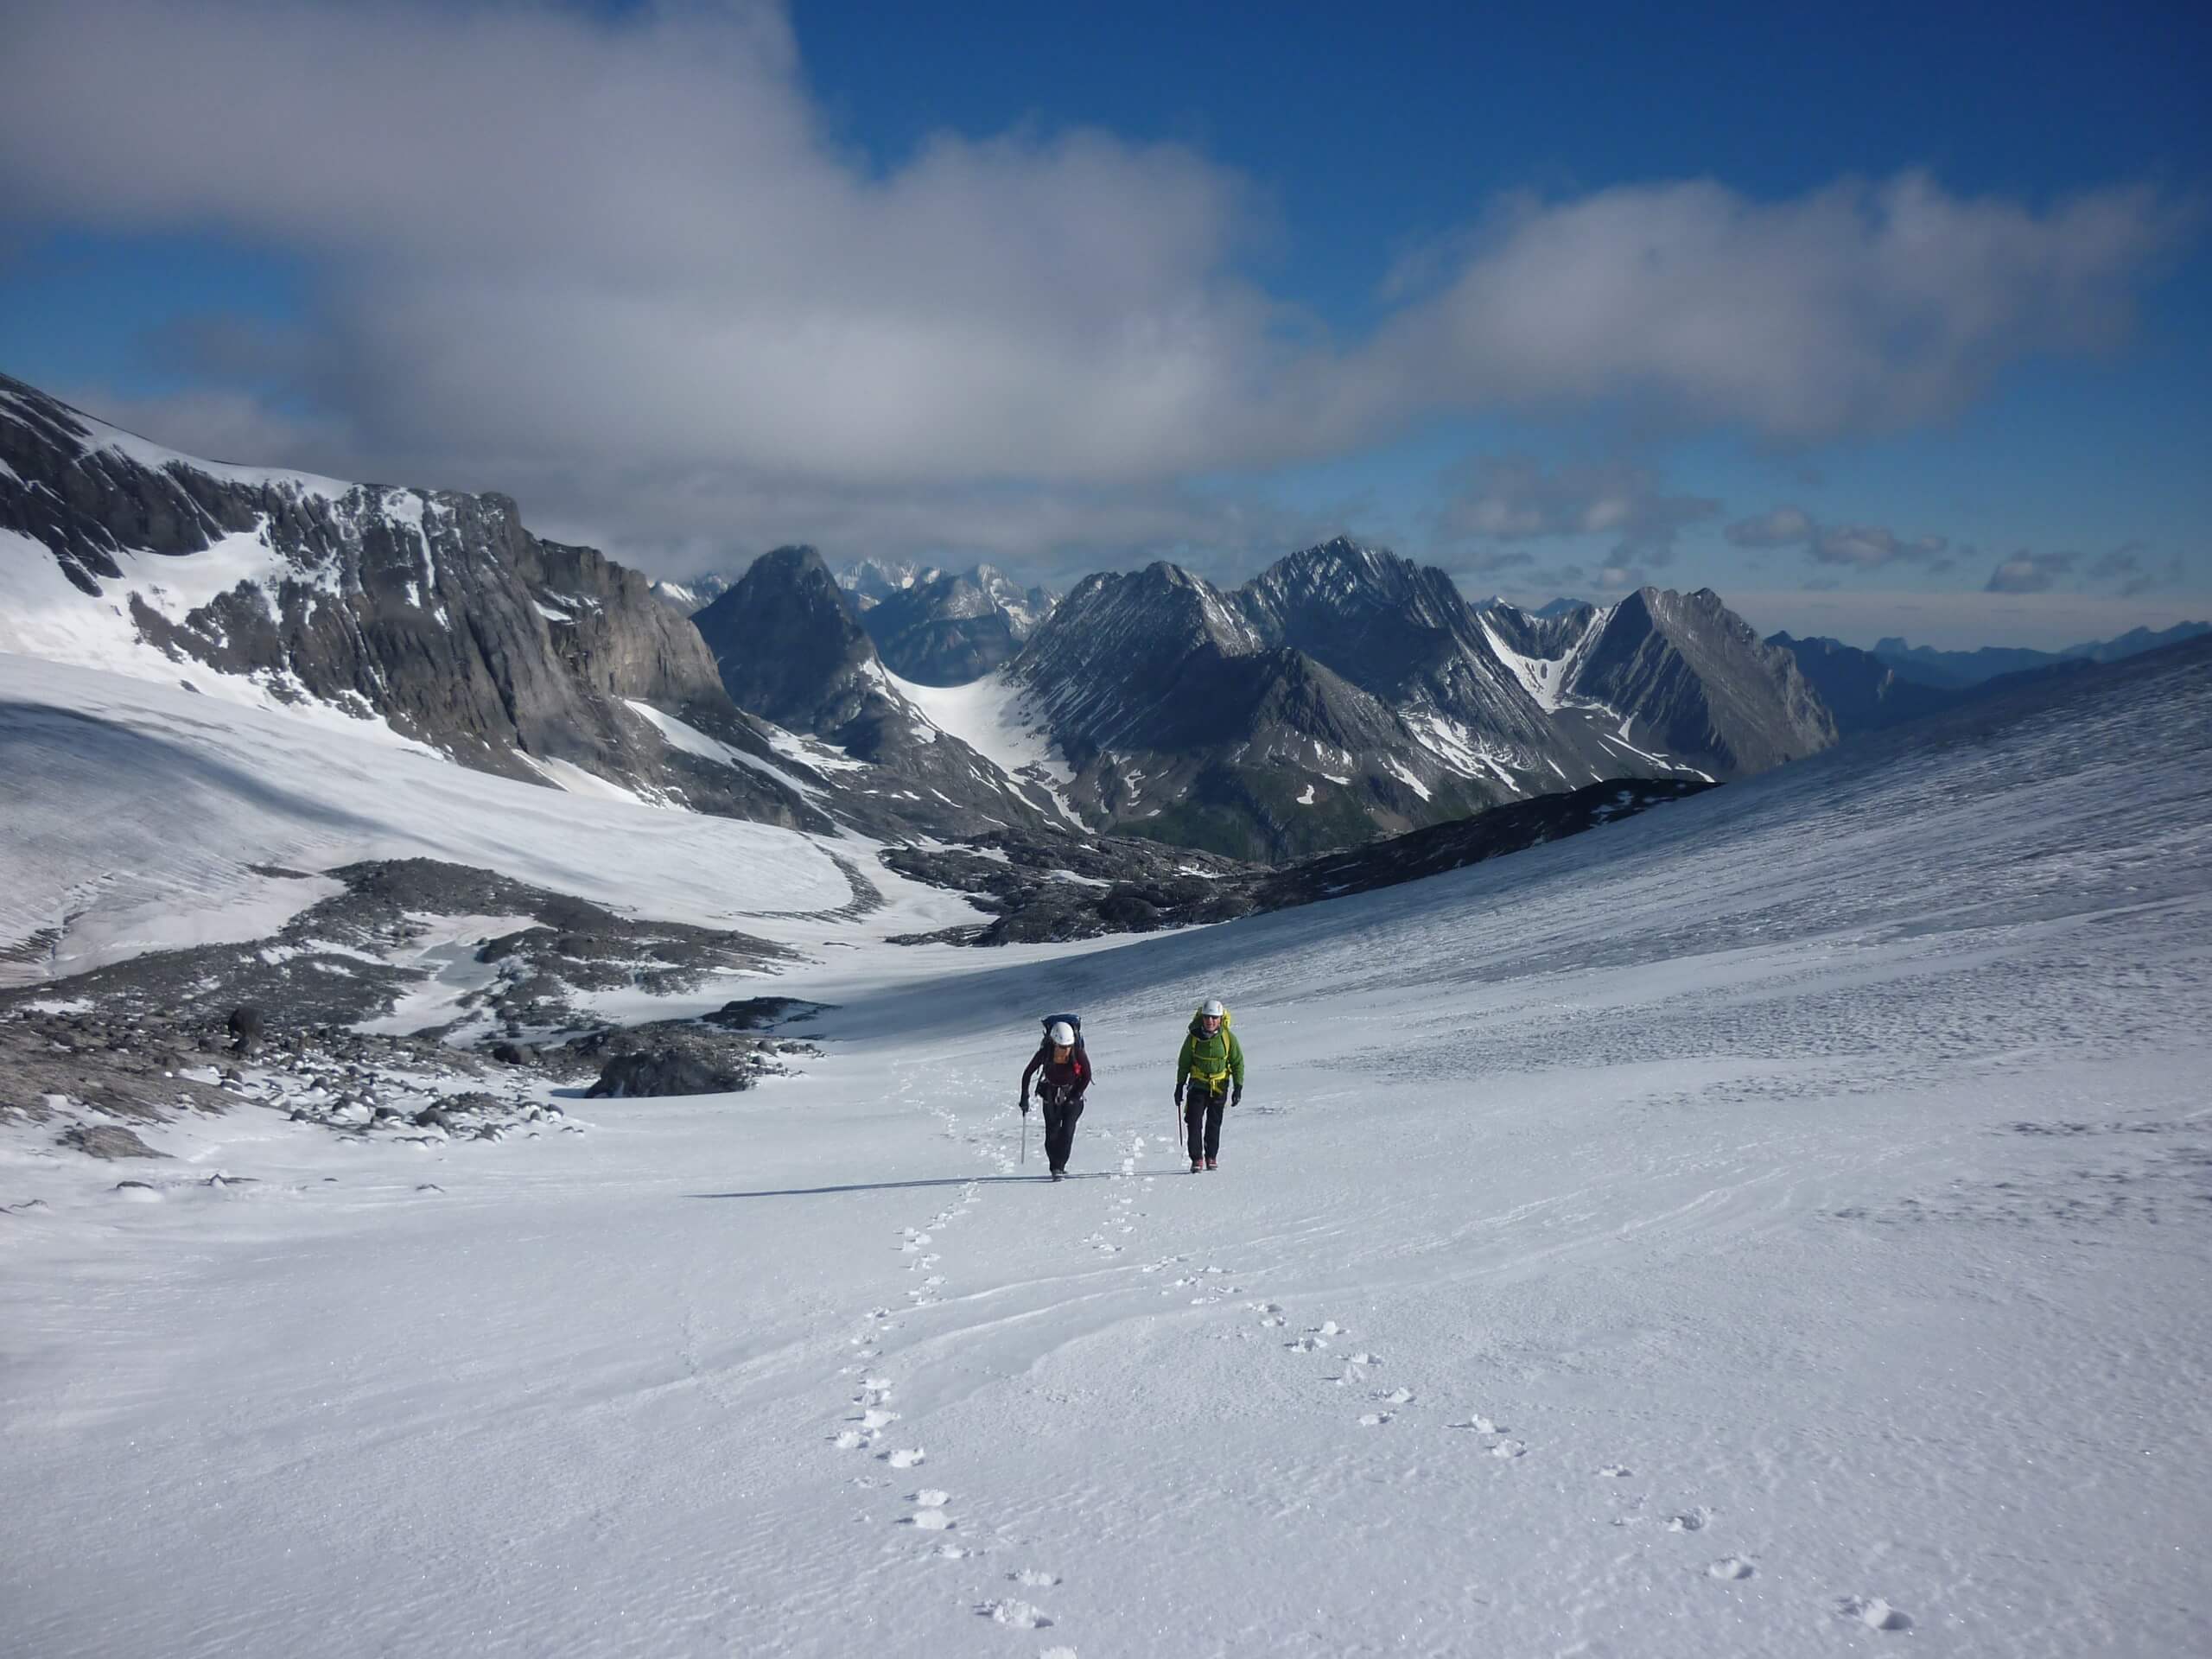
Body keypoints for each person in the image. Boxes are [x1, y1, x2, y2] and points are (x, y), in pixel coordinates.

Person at [1173, 997, 1243, 1172]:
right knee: (1194, 1121)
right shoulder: (1193, 1038)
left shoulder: (1228, 1038)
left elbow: (1237, 1062)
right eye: (1207, 1017)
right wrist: (1179, 1085)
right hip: (1198, 1085)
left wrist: (1238, 1086)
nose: (1210, 1021)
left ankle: (1211, 1156)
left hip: (1219, 1086)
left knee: (1214, 1122)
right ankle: (1197, 1158)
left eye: (1214, 1018)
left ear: (1220, 1019)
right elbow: (1184, 1062)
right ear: (1202, 1018)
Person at [1020, 1019, 1091, 1180]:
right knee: (1051, 1133)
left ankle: (1059, 1167)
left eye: (1067, 1047)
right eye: (1061, 1047)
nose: (1065, 1051)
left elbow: (1087, 1075)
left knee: (1067, 1131)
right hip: (1050, 1096)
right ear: (1054, 1042)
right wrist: (1024, 1095)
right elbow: (1028, 1072)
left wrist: (1076, 1095)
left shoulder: (1077, 1052)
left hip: (1072, 1096)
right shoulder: (1045, 1052)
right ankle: (1055, 1167)